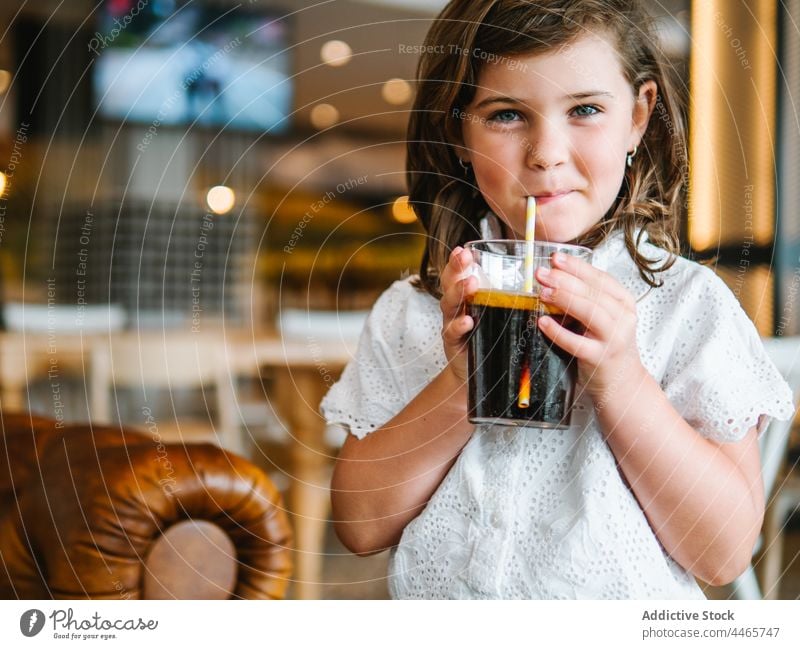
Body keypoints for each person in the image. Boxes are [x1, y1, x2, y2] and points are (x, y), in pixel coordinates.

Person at [320, 0, 796, 599]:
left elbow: (722, 553)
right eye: (506, 115)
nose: (545, 152)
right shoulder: (410, 311)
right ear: (458, 131)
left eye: (586, 109)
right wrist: (464, 378)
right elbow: (360, 525)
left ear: (638, 117)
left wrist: (621, 377)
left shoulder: (687, 307)